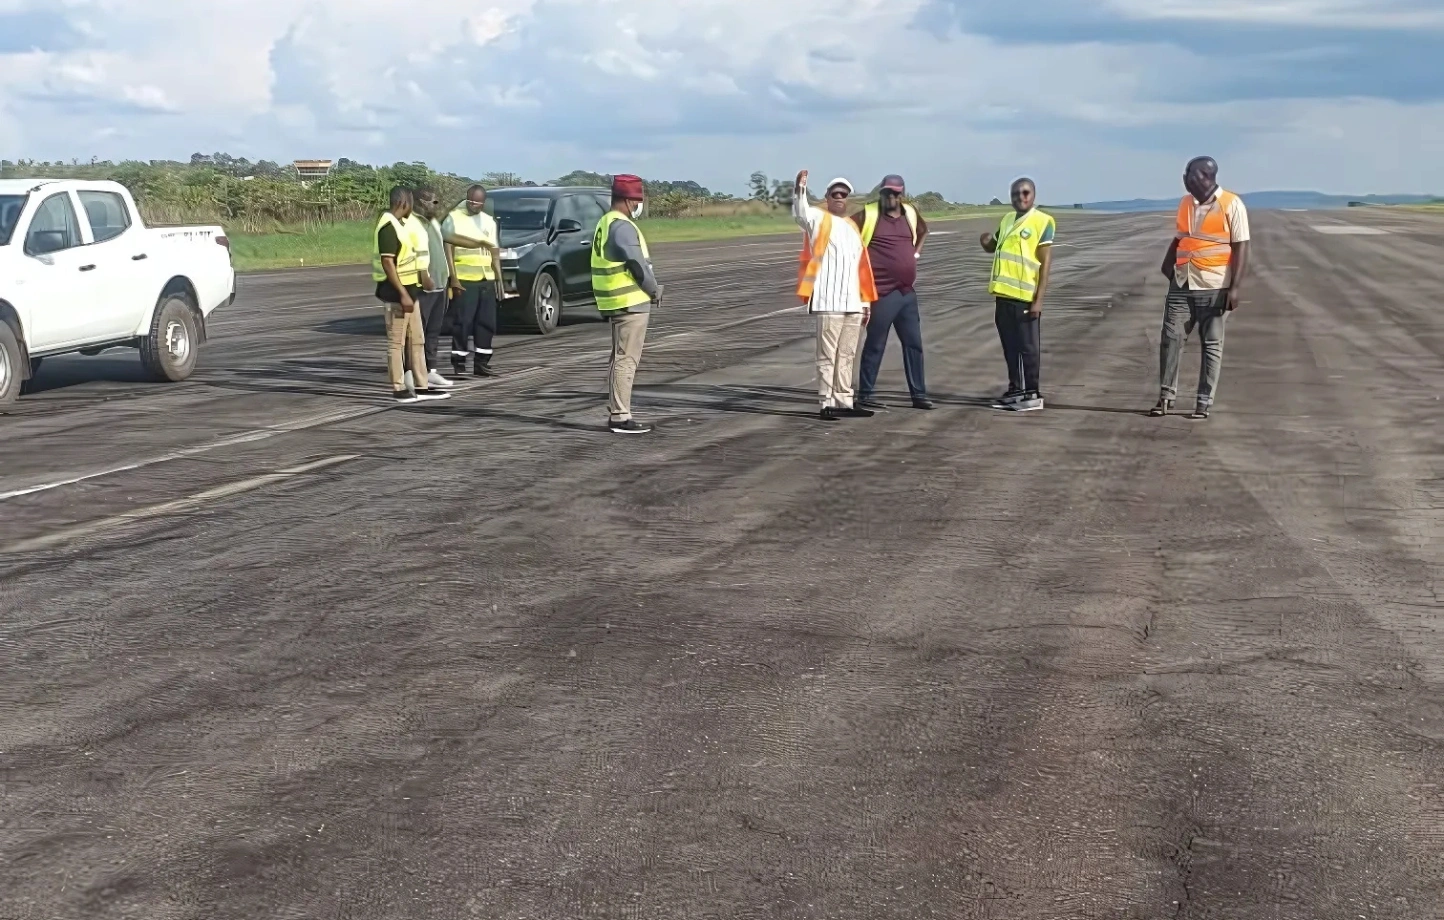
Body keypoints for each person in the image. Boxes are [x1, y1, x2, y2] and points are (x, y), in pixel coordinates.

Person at [1151, 156, 1250, 420]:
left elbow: (1242, 246)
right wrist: (1167, 265)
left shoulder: (1232, 204)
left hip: (1215, 285)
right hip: (1182, 282)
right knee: (1170, 339)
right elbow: (1181, 237)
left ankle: (1203, 403)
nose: (1184, 178)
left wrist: (1235, 288)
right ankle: (1165, 397)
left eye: (1189, 174)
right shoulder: (1185, 203)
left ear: (1206, 176)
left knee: (1211, 345)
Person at [792, 170, 877, 421]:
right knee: (827, 354)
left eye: (844, 194)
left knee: (848, 354)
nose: (840, 197)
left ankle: (844, 400)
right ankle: (826, 402)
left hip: (853, 302)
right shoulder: (817, 219)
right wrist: (800, 189)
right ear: (827, 198)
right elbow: (800, 212)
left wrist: (865, 303)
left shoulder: (852, 228)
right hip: (829, 300)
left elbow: (861, 269)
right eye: (835, 193)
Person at [852, 174, 933, 410]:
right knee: (876, 344)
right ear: (881, 192)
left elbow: (924, 231)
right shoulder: (867, 215)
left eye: (896, 193)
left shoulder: (910, 213)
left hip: (906, 293)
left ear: (902, 194)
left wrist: (915, 253)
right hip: (881, 293)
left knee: (914, 344)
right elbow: (843, 234)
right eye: (888, 192)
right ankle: (865, 395)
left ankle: (919, 394)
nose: (892, 197)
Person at [590, 173, 662, 434]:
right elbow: (637, 265)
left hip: (615, 300)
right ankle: (621, 416)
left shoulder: (606, 222)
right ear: (628, 200)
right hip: (630, 301)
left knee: (619, 358)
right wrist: (654, 290)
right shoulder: (622, 226)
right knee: (626, 360)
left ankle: (618, 411)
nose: (638, 205)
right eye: (637, 200)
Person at [980, 177, 1054, 412]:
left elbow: (1045, 263)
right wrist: (985, 242)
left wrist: (1038, 300)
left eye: (1025, 193)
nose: (1020, 198)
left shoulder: (1043, 222)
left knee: (1028, 348)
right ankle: (1016, 390)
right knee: (1010, 347)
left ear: (1033, 195)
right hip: (1003, 295)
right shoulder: (1008, 219)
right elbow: (995, 246)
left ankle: (1032, 393)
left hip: (1025, 296)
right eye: (1016, 194)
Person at [372, 186, 450, 403]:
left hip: (411, 289)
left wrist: (423, 276)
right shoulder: (388, 227)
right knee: (396, 344)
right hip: (396, 294)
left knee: (417, 340)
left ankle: (422, 385)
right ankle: (398, 388)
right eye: (411, 202)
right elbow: (388, 263)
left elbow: (412, 255)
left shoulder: (402, 224)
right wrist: (403, 294)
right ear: (403, 203)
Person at [442, 184, 504, 378]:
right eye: (470, 201)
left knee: (486, 323)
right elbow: (448, 247)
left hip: (486, 279)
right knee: (462, 322)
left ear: (483, 202)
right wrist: (453, 278)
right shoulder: (454, 218)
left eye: (478, 202)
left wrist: (500, 281)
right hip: (464, 279)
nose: (473, 205)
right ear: (466, 198)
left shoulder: (488, 221)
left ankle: (482, 363)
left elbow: (494, 252)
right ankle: (459, 363)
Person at [403, 188, 455, 390]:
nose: (437, 205)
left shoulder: (433, 222)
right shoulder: (413, 223)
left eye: (437, 201)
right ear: (420, 203)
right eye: (432, 202)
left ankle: (430, 371)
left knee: (433, 331)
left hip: (440, 284)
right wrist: (423, 277)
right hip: (422, 286)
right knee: (416, 333)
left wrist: (449, 279)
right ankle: (411, 373)